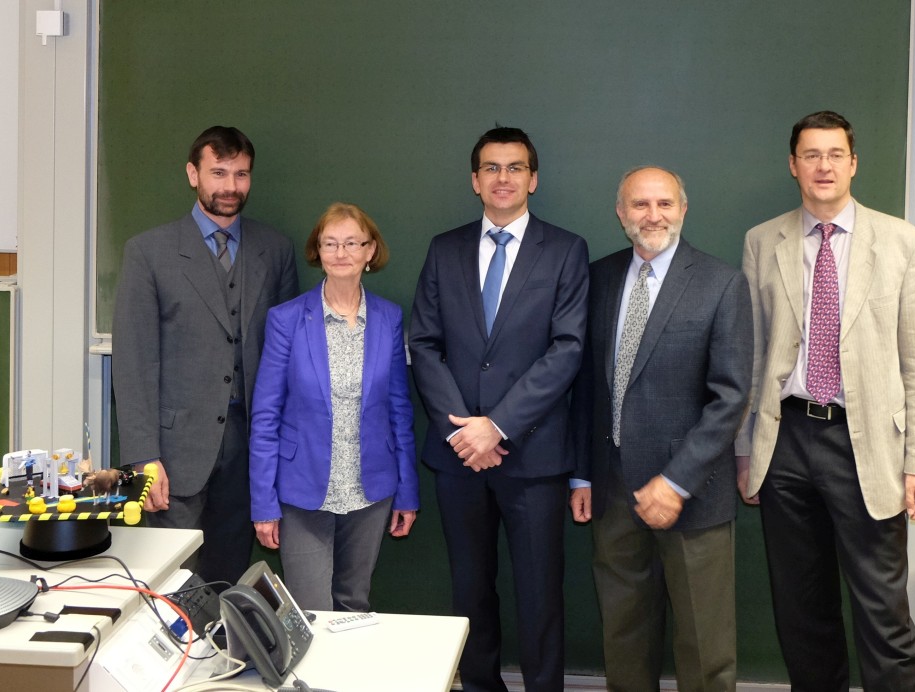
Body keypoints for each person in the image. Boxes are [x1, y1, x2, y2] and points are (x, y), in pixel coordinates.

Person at [736, 110, 915, 691]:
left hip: (868, 445)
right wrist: (745, 451)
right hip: (785, 443)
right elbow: (751, 355)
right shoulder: (762, 241)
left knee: (883, 612)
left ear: (853, 164)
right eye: (811, 155)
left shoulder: (903, 243)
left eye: (834, 155)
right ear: (793, 165)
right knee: (802, 610)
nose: (823, 166)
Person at [409, 126, 589, 692]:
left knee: (539, 594)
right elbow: (424, 344)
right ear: (475, 180)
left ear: (533, 179)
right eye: (491, 167)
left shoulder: (565, 250)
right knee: (469, 590)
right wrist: (464, 432)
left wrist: (498, 426)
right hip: (458, 455)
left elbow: (567, 349)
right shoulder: (444, 249)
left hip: (532, 454)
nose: (503, 178)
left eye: (515, 168)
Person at [569, 166, 752, 692]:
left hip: (692, 494)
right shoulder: (599, 278)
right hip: (612, 489)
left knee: (704, 647)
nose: (653, 215)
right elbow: (586, 386)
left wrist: (675, 483)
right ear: (620, 213)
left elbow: (730, 397)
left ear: (683, 210)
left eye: (665, 204)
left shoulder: (721, 282)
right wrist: (582, 474)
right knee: (624, 637)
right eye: (640, 204)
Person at [113, 125, 298, 588]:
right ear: (193, 174)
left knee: (229, 581)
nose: (230, 186)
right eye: (218, 173)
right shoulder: (148, 252)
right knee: (172, 584)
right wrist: (143, 458)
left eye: (241, 174)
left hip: (249, 450)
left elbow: (287, 361)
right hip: (173, 454)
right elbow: (134, 364)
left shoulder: (275, 250)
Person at [248, 202, 419, 611]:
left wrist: (407, 492)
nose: (341, 253)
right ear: (318, 251)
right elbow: (265, 417)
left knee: (354, 604)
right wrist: (263, 504)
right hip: (302, 489)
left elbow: (400, 411)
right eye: (330, 243)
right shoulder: (286, 320)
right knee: (311, 610)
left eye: (352, 243)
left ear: (370, 250)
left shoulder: (389, 318)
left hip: (370, 489)